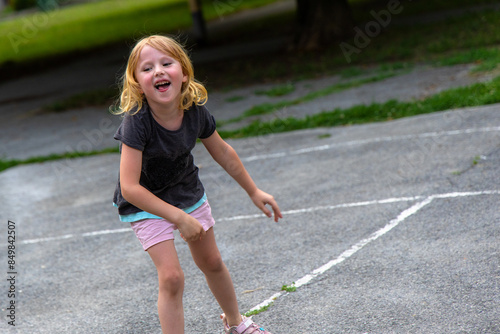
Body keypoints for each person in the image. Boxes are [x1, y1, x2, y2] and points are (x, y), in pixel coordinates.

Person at [112, 35, 282, 334]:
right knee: (172, 278)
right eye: (147, 68)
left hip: (186, 191)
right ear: (138, 83)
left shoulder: (194, 111)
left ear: (184, 73)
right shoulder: (137, 121)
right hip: (145, 202)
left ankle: (236, 323)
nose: (159, 72)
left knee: (213, 261)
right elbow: (129, 187)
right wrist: (179, 218)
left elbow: (223, 152)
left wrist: (253, 190)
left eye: (167, 63)